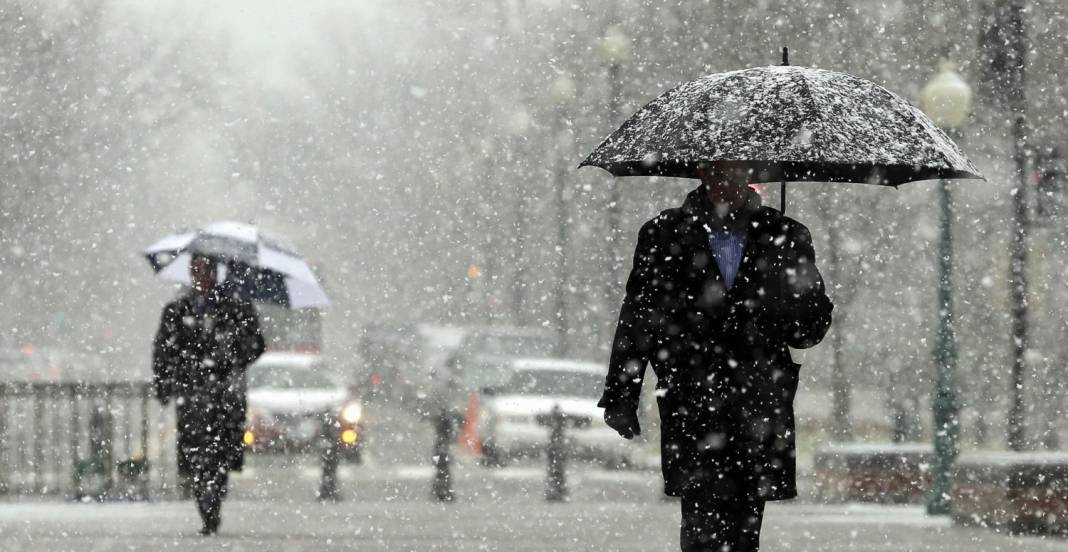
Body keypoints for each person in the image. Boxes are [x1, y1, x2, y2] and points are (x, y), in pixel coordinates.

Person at [599, 163, 833, 551]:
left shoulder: (787, 236)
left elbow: (808, 331)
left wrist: (790, 301)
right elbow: (637, 319)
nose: (727, 182)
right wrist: (622, 394)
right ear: (702, 173)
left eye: (736, 172)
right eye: (718, 172)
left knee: (745, 530)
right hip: (692, 400)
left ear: (751, 174)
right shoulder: (663, 234)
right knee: (700, 526)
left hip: (758, 403)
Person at [153, 254, 265, 535]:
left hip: (224, 396)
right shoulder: (178, 310)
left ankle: (213, 498)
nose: (200, 276)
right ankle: (207, 505)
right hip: (193, 396)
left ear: (216, 273)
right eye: (195, 270)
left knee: (220, 455)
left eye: (205, 269)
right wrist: (167, 383)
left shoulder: (237, 308)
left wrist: (229, 354)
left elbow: (255, 344)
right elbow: (163, 352)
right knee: (198, 456)